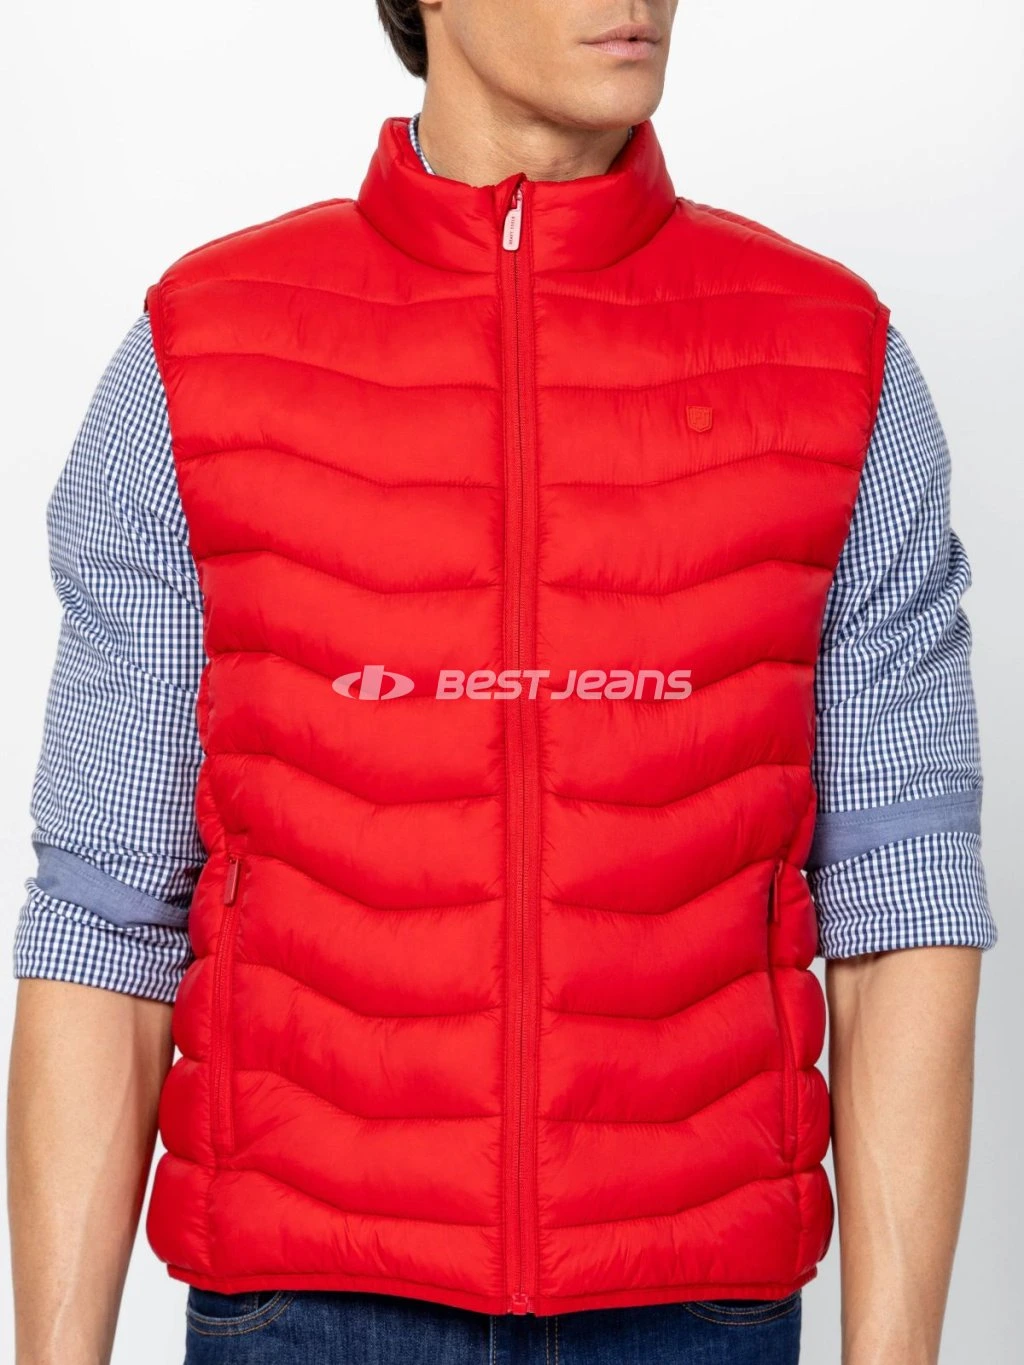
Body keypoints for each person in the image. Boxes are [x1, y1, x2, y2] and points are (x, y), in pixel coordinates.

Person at [6, 2, 995, 1362]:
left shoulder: (832, 357)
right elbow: (104, 919)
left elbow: (905, 904)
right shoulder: (203, 356)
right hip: (307, 1310)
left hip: (692, 1311)